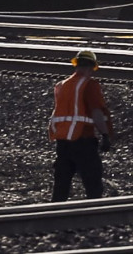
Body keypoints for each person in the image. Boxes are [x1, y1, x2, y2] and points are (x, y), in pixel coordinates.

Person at [49, 50, 113, 201]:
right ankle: (94, 217)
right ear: (91, 67)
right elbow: (96, 112)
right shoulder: (89, 85)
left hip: (63, 141)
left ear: (76, 65)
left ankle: (54, 219)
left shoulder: (62, 85)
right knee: (93, 183)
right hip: (83, 140)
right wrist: (105, 135)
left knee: (61, 186)